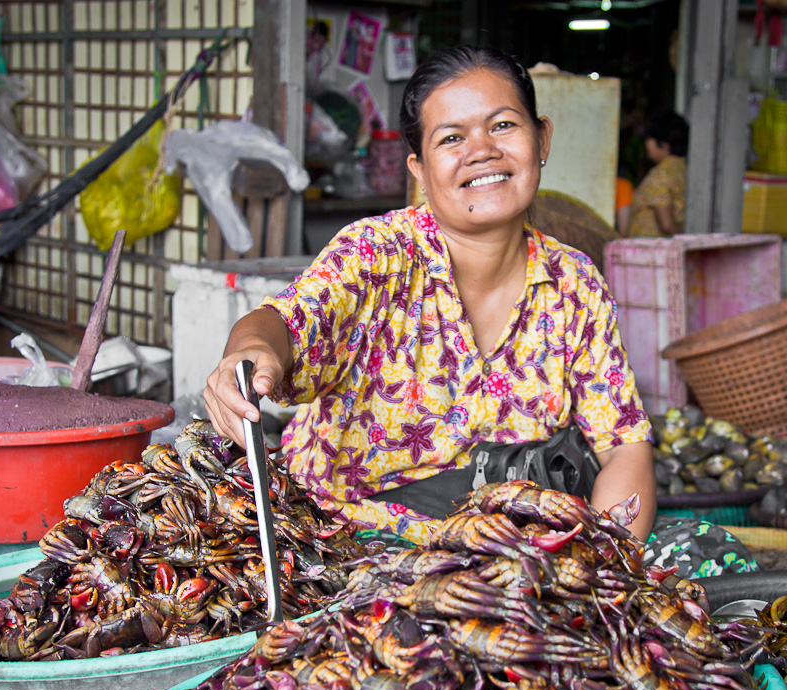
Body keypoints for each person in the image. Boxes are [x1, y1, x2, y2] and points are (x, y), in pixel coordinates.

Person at [203, 45, 656, 546]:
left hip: (512, 565)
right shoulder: (377, 256)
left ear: (541, 138)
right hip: (347, 549)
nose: (481, 150)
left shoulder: (575, 284)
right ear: (419, 168)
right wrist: (250, 353)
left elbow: (622, 448)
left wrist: (606, 571)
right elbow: (281, 325)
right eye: (452, 138)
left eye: (503, 125)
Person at [623, 111, 688, 237]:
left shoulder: (662, 174)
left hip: (649, 251)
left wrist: (683, 245)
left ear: (663, 144)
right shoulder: (682, 169)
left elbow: (666, 224)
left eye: (649, 138)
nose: (647, 144)